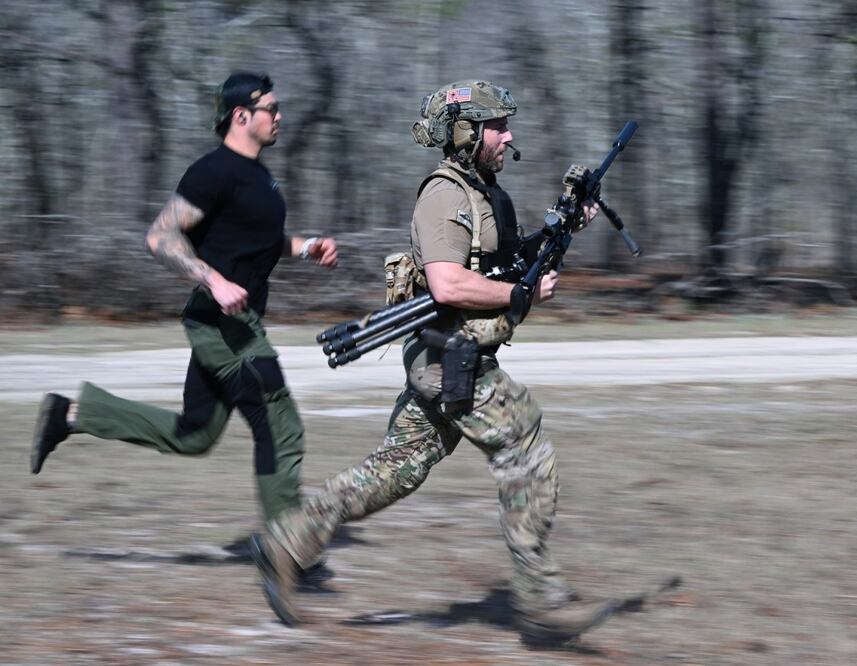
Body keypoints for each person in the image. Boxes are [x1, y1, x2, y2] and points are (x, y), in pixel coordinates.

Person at [250, 80, 616, 642]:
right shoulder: (444, 195)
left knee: (397, 469)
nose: (507, 135)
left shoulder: (486, 193)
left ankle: (286, 542)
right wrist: (518, 298)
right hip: (449, 356)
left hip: (449, 356)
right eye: (496, 126)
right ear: (466, 133)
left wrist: (565, 227)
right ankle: (541, 600)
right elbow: (448, 285)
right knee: (524, 440)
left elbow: (504, 263)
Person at [30, 71, 338, 527]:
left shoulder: (258, 177)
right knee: (278, 422)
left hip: (236, 320)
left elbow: (259, 241)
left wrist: (307, 246)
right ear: (241, 115)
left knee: (195, 434)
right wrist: (214, 280)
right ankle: (286, 547)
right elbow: (160, 236)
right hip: (223, 323)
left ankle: (73, 414)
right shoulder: (213, 171)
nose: (280, 116)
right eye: (272, 109)